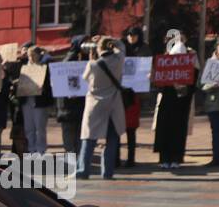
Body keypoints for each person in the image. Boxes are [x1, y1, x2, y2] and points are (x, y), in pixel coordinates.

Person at [78, 35, 126, 180]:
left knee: (89, 139)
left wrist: (91, 59)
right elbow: (122, 46)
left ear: (98, 49)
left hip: (95, 104)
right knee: (112, 139)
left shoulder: (93, 65)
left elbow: (85, 78)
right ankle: (107, 172)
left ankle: (83, 170)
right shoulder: (119, 60)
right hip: (113, 104)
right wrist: (111, 39)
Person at [153, 29, 198, 170]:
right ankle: (164, 158)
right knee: (165, 129)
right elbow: (159, 79)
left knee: (177, 129)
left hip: (181, 100)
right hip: (168, 99)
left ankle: (176, 158)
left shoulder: (191, 55)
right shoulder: (164, 58)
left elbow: (194, 76)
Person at [120, 26, 149, 165]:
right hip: (120, 92)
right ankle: (116, 159)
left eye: (134, 35)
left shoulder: (144, 49)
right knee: (118, 127)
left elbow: (147, 67)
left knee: (131, 128)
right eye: (129, 35)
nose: (131, 38)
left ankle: (131, 159)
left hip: (134, 93)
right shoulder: (122, 48)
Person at [18, 45, 54, 155]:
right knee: (29, 127)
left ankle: (41, 149)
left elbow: (51, 60)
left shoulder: (44, 67)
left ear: (39, 55)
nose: (31, 58)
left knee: (40, 127)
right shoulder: (24, 68)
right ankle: (31, 148)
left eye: (34, 55)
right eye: (29, 56)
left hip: (40, 102)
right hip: (27, 101)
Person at [56, 35, 86, 156]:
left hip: (80, 104)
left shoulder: (86, 59)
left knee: (79, 133)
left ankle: (78, 158)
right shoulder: (69, 60)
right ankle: (72, 158)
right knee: (70, 133)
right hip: (68, 105)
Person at [203, 35, 219, 167]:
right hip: (215, 104)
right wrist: (213, 85)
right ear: (217, 48)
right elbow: (202, 85)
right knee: (216, 132)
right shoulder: (210, 64)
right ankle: (216, 158)